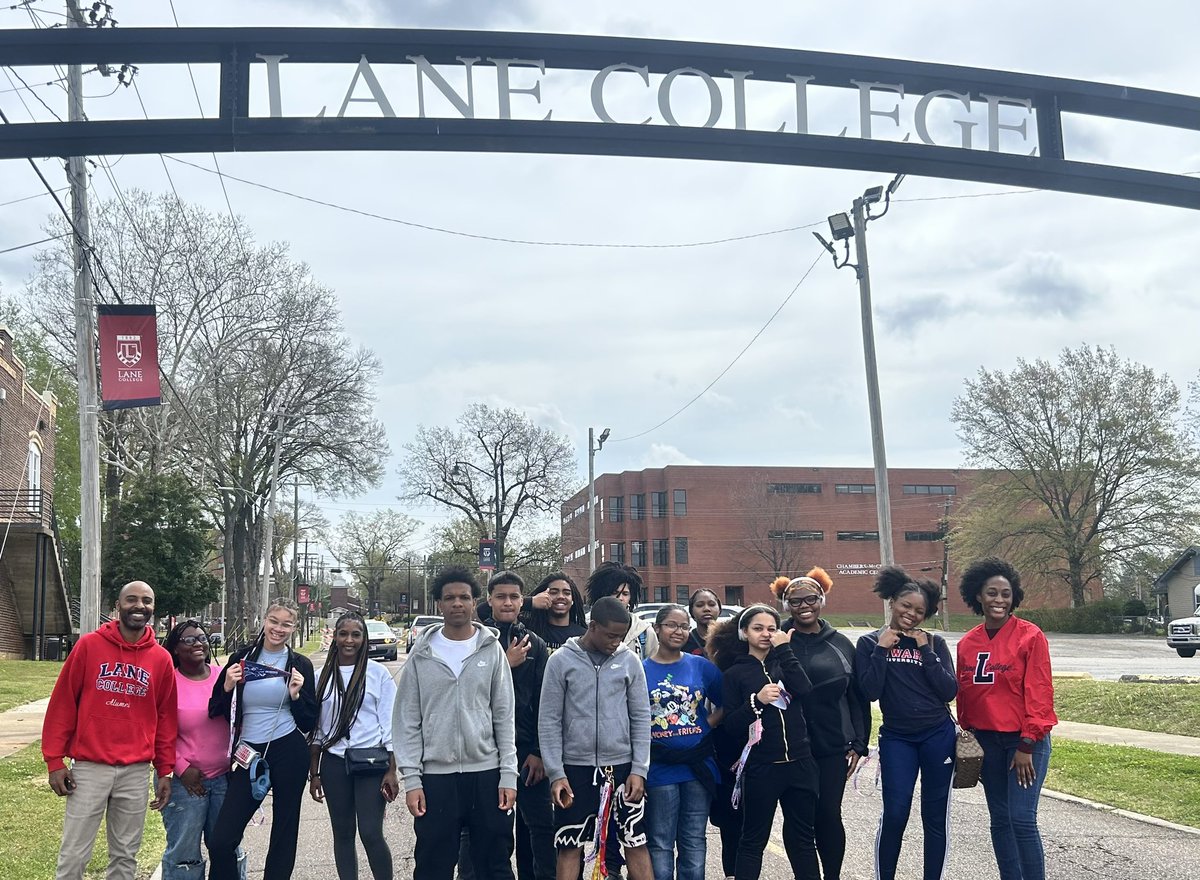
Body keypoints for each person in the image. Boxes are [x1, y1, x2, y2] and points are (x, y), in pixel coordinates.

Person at [42, 580, 177, 880]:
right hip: (90, 768)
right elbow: (63, 702)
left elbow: (166, 719)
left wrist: (165, 770)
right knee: (74, 855)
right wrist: (54, 760)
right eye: (131, 600)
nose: (139, 606)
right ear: (118, 607)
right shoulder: (89, 646)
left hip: (135, 771)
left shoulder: (161, 659)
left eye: (146, 601)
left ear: (153, 608)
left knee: (125, 857)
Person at [393, 565, 518, 880]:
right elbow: (407, 721)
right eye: (450, 598)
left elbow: (504, 715)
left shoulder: (491, 651)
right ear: (439, 604)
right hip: (436, 779)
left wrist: (508, 775)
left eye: (464, 597)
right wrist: (413, 781)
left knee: (495, 867)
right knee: (432, 867)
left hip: (487, 776)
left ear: (475, 602)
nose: (457, 603)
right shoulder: (421, 655)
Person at [956, 558, 1057, 880]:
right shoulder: (967, 643)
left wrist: (1027, 743)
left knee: (1022, 818)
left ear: (1015, 597)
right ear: (978, 596)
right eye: (992, 593)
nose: (999, 600)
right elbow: (966, 694)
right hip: (988, 742)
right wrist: (967, 735)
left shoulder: (1030, 636)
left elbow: (1039, 692)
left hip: (1023, 741)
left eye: (1005, 594)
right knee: (999, 819)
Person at [855, 566, 958, 880]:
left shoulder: (935, 644)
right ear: (892, 603)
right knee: (896, 813)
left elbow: (949, 690)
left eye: (919, 611)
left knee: (934, 817)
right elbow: (870, 691)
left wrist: (925, 649)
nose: (911, 614)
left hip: (937, 736)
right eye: (906, 606)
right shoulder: (869, 642)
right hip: (898, 739)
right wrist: (882, 649)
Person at [539, 596, 653, 880]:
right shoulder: (561, 661)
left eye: (621, 636)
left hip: (622, 767)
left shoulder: (629, 661)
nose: (616, 641)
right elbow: (549, 720)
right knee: (569, 844)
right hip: (575, 769)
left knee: (635, 841)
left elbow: (640, 717)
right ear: (592, 627)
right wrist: (556, 773)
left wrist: (639, 769)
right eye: (611, 635)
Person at [208, 597, 318, 880]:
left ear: (295, 627)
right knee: (222, 839)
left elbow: (309, 720)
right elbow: (216, 710)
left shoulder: (300, 664)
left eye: (286, 624)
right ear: (264, 620)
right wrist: (228, 684)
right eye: (274, 621)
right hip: (249, 752)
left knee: (284, 830)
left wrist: (296, 695)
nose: (278, 629)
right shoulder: (241, 658)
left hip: (288, 748)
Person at [774, 569, 871, 880]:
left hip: (832, 748)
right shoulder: (776, 639)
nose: (804, 605)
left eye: (811, 599)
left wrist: (859, 743)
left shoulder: (841, 643)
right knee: (797, 819)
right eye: (795, 600)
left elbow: (857, 698)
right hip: (789, 748)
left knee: (828, 815)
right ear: (785, 604)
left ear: (822, 600)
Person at [711, 603, 817, 880]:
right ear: (744, 632)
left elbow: (805, 689)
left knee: (804, 839)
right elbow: (732, 726)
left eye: (772, 628)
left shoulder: (786, 662)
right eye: (758, 628)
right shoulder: (734, 674)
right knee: (753, 839)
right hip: (762, 767)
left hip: (800, 763)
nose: (765, 634)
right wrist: (755, 701)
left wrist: (785, 650)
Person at [309, 611, 399, 880]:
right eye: (343, 633)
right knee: (343, 832)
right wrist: (314, 773)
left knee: (371, 832)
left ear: (364, 639)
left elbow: (390, 724)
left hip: (371, 761)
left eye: (356, 634)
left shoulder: (378, 674)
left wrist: (392, 770)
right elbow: (316, 730)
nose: (349, 640)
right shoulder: (319, 676)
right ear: (334, 637)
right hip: (335, 762)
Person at [161, 620, 247, 880]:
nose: (198, 643)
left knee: (227, 848)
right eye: (189, 640)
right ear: (175, 648)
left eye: (202, 638)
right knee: (185, 854)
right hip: (185, 783)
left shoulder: (224, 678)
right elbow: (156, 732)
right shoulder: (168, 682)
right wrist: (181, 768)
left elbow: (240, 720)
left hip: (224, 779)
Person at [643, 605, 724, 880]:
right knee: (661, 841)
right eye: (671, 625)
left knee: (693, 838)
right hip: (659, 769)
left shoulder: (700, 666)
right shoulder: (641, 669)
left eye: (683, 626)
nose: (678, 631)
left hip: (698, 768)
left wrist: (704, 727)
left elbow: (727, 702)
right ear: (656, 628)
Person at [584, 562, 658, 659]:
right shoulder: (586, 625)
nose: (620, 598)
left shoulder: (644, 632)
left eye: (625, 593)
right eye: (615, 592)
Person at [522, 571, 587, 653]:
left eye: (566, 593)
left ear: (573, 600)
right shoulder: (528, 629)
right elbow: (503, 611)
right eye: (553, 592)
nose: (561, 596)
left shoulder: (583, 636)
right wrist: (531, 602)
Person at [682, 588, 721, 656]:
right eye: (699, 605)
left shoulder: (730, 639)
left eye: (711, 604)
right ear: (692, 612)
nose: (706, 609)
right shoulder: (684, 641)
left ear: (719, 610)